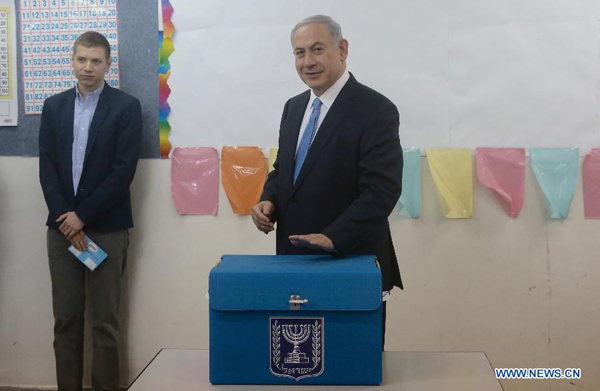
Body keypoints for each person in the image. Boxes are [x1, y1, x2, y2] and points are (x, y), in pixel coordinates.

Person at [251, 15, 403, 348]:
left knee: (351, 365)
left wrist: (333, 237)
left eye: (317, 49)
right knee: (299, 359)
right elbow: (284, 171)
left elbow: (382, 190)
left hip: (351, 259)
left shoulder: (376, 109)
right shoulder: (293, 108)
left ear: (342, 49)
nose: (307, 62)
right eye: (299, 52)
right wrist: (269, 200)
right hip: (294, 260)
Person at [39, 31, 142, 391]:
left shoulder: (126, 108)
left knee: (105, 323)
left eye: (96, 61)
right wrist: (66, 217)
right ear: (72, 60)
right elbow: (48, 167)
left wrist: (82, 216)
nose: (88, 67)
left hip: (106, 230)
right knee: (66, 320)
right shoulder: (53, 107)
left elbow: (123, 170)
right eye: (82, 59)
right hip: (61, 230)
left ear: (108, 65)